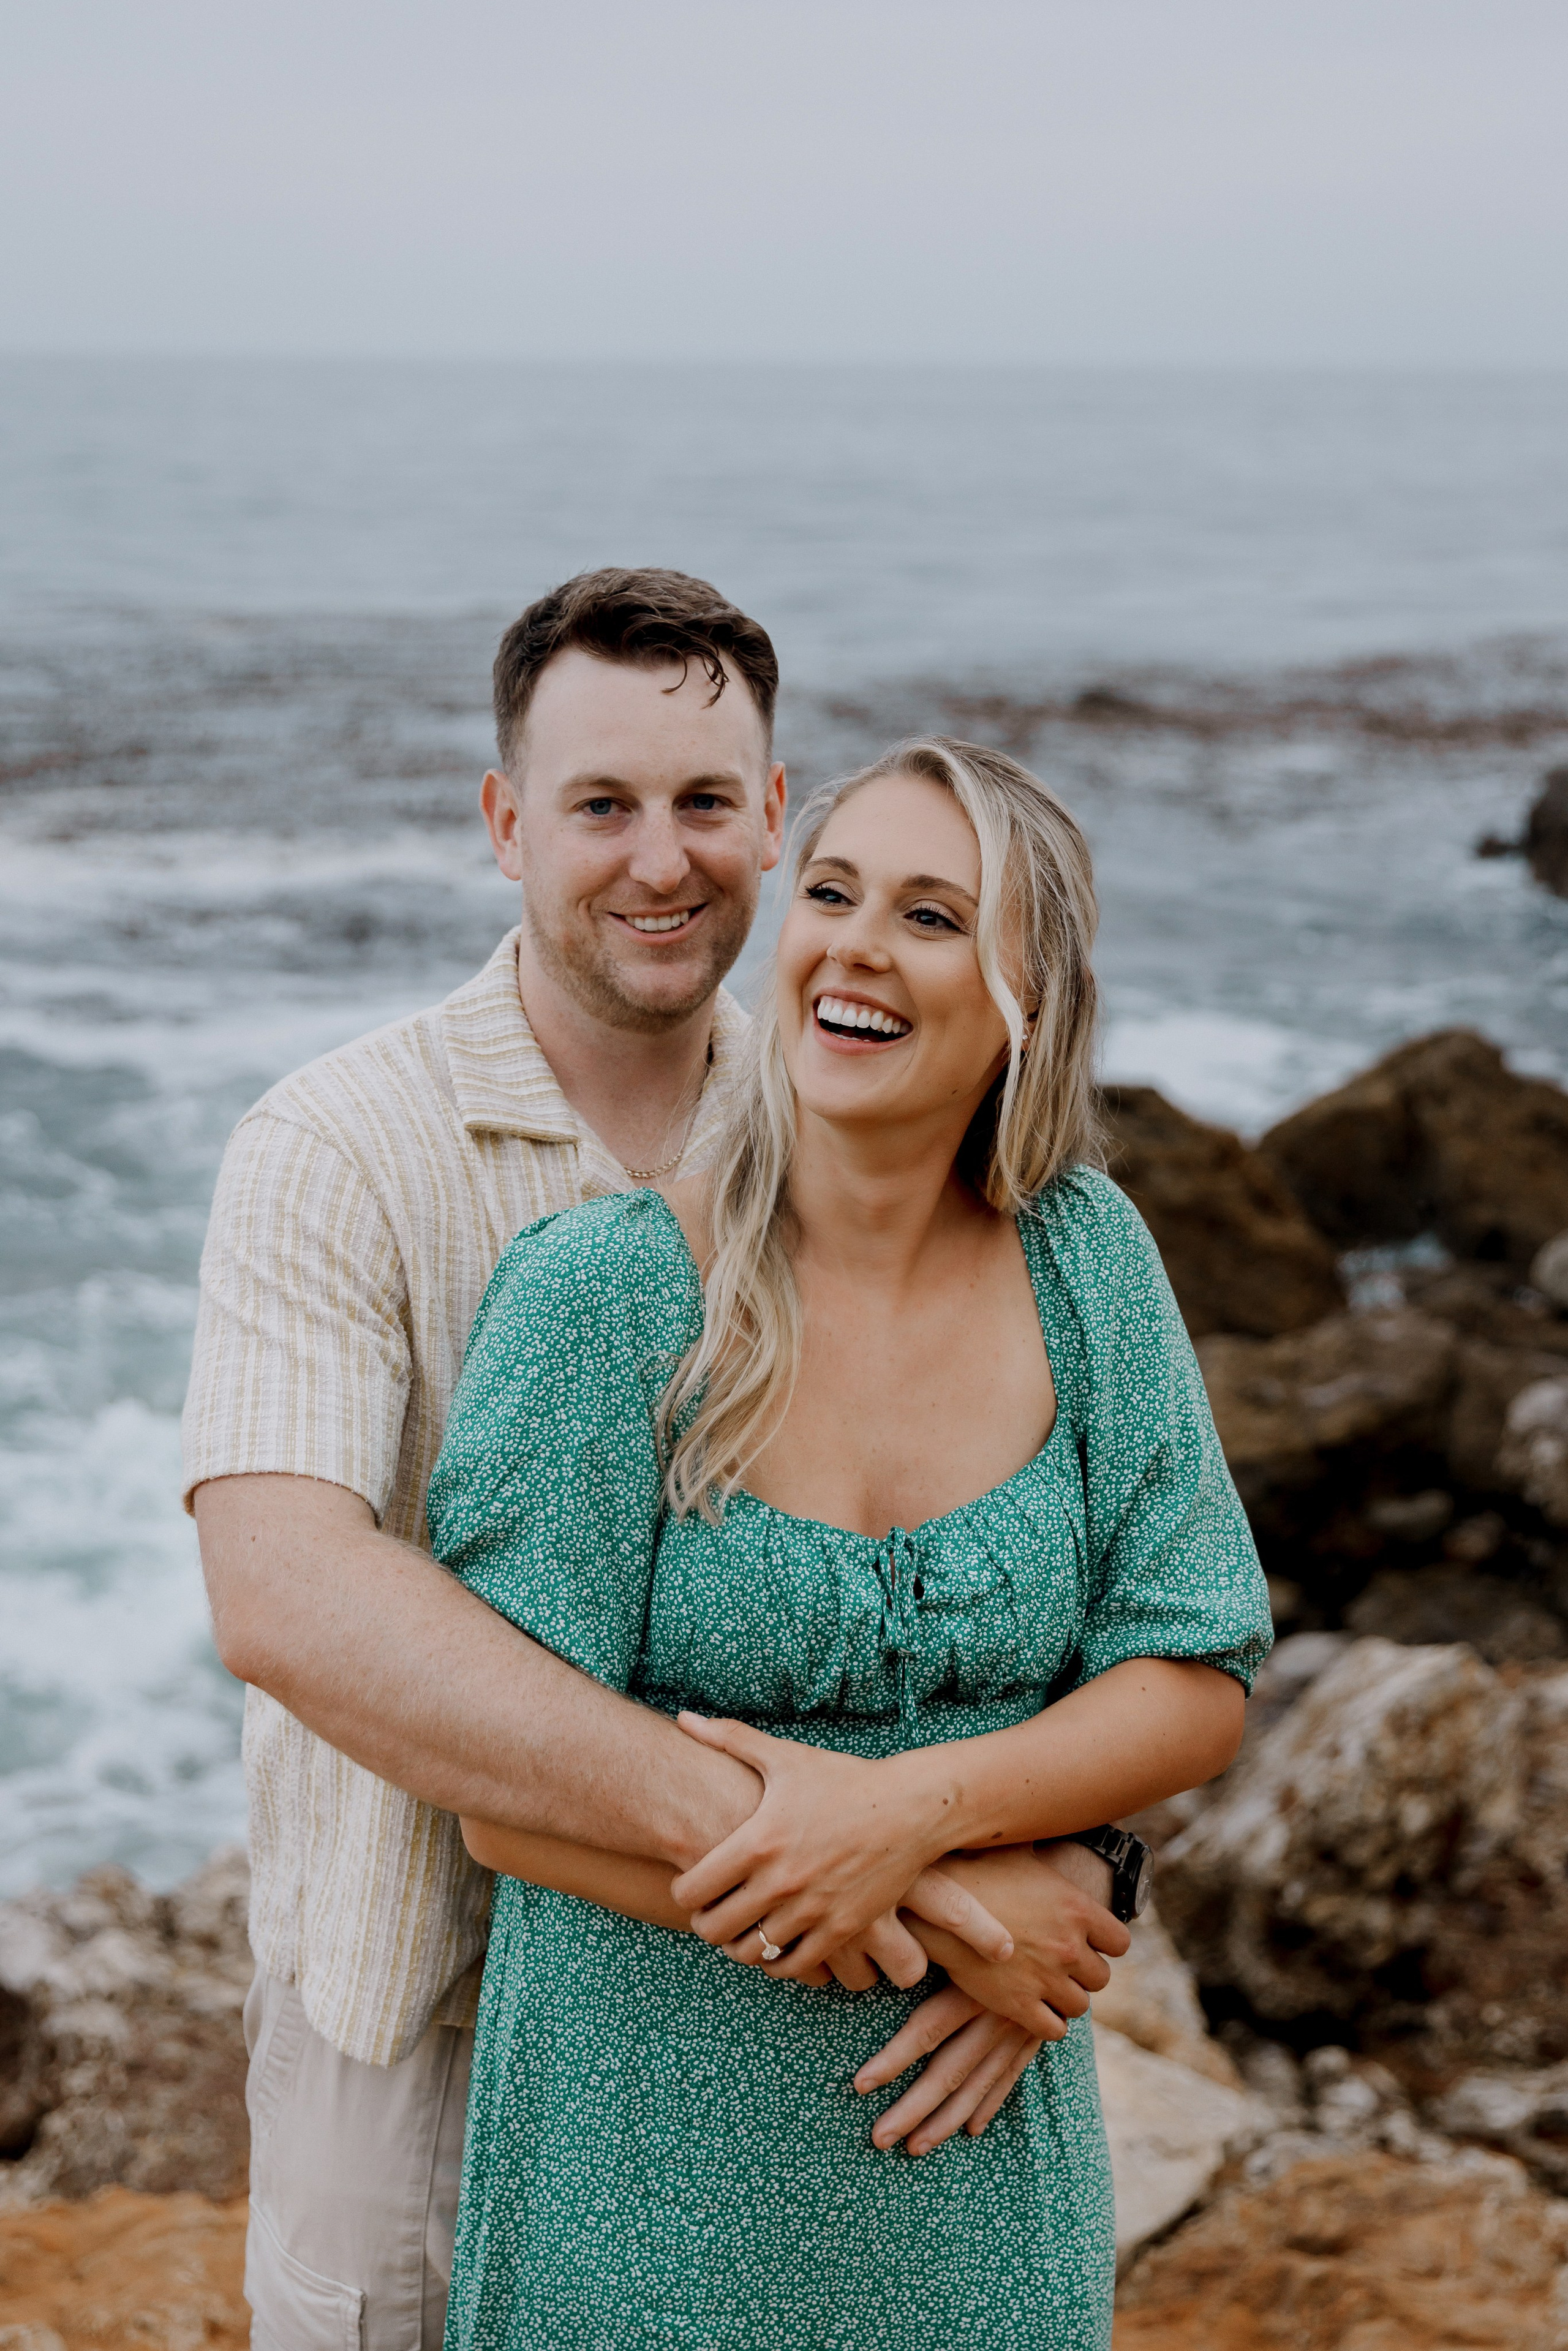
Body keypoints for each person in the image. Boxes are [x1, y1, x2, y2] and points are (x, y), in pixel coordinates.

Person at [183, 575, 1128, 2349]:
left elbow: (1036, 1546)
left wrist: (1075, 1860)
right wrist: (903, 1881)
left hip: (781, 2051)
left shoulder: (864, 1106)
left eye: (707, 803)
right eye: (599, 804)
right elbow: (286, 1595)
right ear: (504, 824)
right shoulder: (335, 1146)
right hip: (424, 2018)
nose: (659, 857)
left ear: (779, 817)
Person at [429, 736, 1273, 2350]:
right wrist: (963, 1913)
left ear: (1031, 999)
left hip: (981, 2192)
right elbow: (501, 1799)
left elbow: (1195, 1668)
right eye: (830, 893)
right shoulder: (603, 1297)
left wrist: (913, 1812)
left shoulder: (1087, 1259)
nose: (857, 949)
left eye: (934, 916)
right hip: (651, 2181)